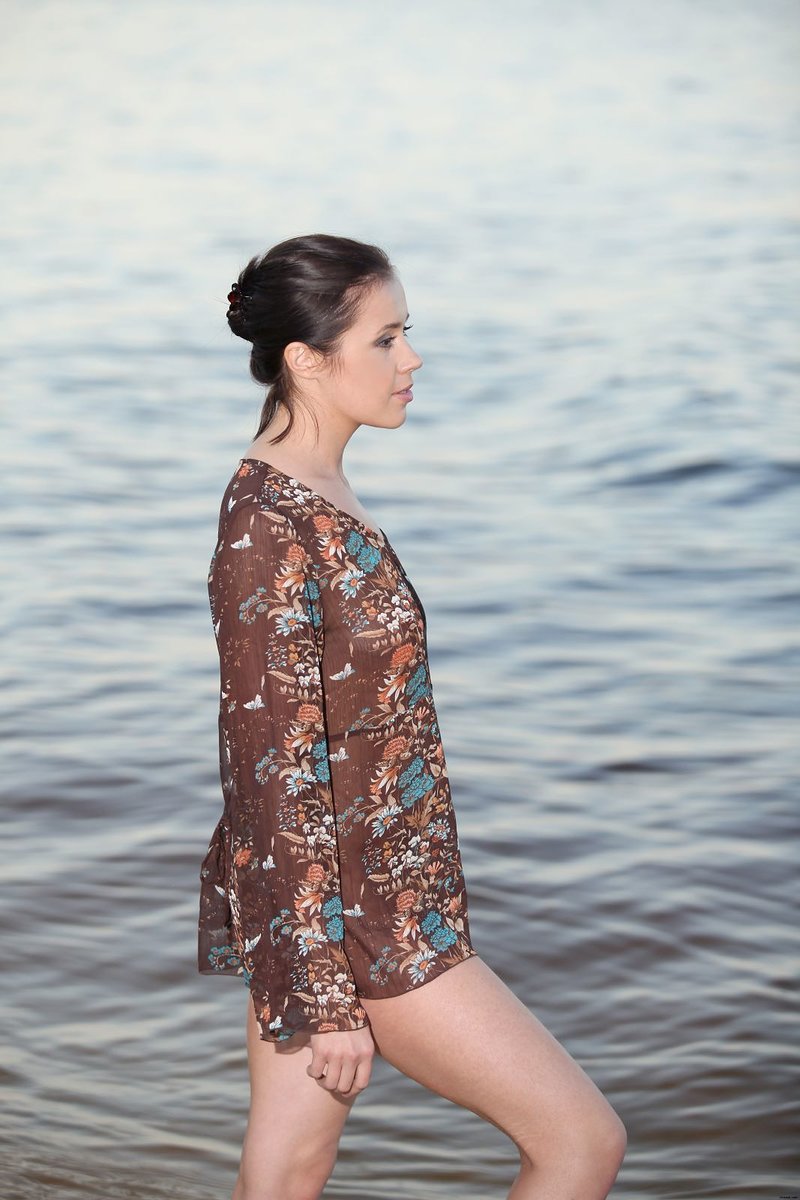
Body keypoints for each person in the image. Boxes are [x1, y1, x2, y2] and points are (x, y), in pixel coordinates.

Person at [197, 233, 627, 1200]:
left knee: (290, 1166)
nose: (412, 359)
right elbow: (269, 763)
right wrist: (322, 986)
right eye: (386, 339)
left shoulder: (320, 490)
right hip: (359, 912)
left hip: (367, 889)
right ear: (308, 359)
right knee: (581, 1143)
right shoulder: (268, 523)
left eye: (407, 333)